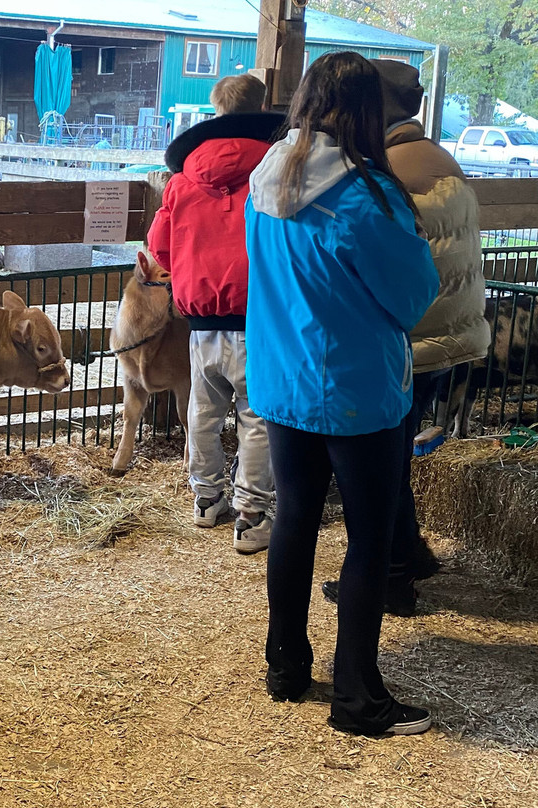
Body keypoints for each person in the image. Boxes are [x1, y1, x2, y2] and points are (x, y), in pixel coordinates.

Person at [244, 52, 439, 735]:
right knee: (368, 538)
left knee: (294, 519)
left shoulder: (266, 179)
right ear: (365, 111)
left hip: (283, 383)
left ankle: (285, 665)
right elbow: (413, 298)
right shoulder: (365, 196)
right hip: (357, 391)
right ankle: (358, 696)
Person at [321, 60, 490, 615]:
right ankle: (411, 552)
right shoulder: (440, 158)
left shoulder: (386, 170)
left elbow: (386, 266)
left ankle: (391, 577)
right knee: (395, 453)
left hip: (410, 339)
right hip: (453, 332)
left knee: (380, 465)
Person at [147, 73, 284, 554]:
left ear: (216, 107)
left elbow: (159, 249)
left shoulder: (181, 182)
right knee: (257, 419)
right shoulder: (277, 171)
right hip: (260, 321)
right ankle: (251, 515)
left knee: (202, 413)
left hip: (201, 323)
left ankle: (206, 499)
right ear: (263, 105)